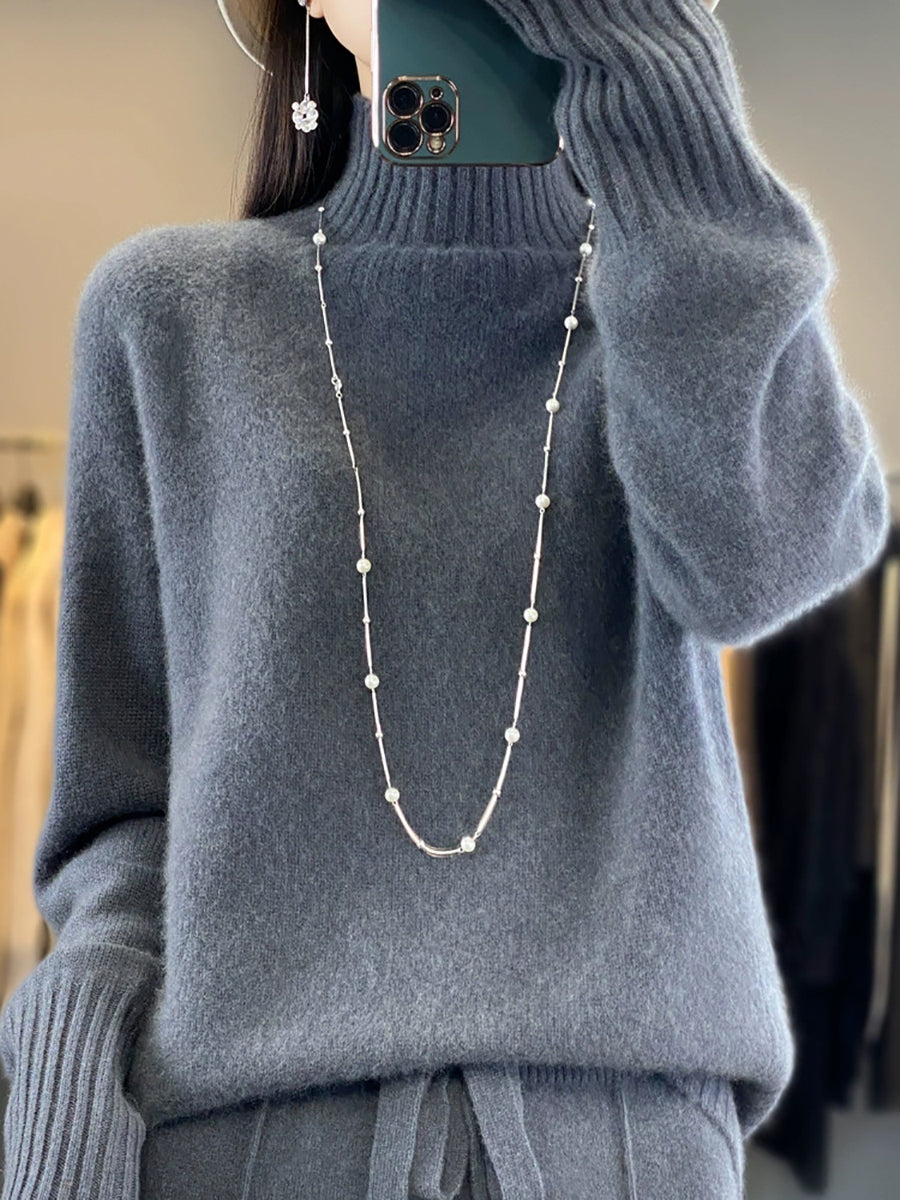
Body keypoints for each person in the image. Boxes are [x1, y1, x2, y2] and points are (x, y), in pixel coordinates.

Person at [0, 1, 889, 1197]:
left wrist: (644, 49)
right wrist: (66, 1101)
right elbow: (121, 819)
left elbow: (768, 558)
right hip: (246, 1149)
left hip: (628, 1153)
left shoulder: (675, 313)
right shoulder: (168, 316)